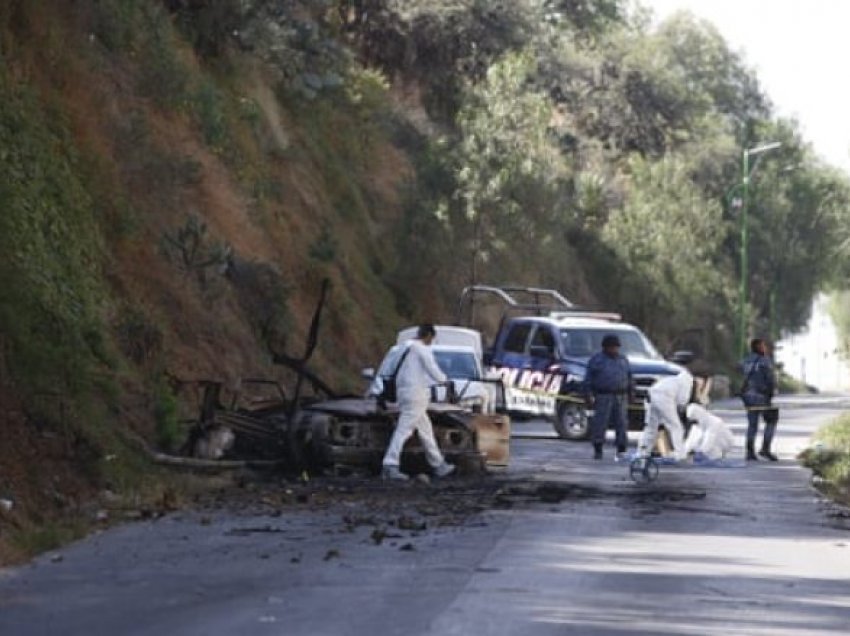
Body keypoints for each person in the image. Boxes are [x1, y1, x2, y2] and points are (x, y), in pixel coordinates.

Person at [381, 324, 456, 481]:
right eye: (432, 339)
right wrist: (445, 380)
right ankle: (390, 464)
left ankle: (438, 464)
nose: (432, 342)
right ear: (428, 335)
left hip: (403, 393)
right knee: (404, 430)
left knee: (425, 430)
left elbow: (389, 369)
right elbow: (433, 370)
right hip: (416, 395)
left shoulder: (404, 347)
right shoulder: (421, 349)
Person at [585, 334, 632, 460]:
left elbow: (629, 376)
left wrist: (631, 391)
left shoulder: (623, 360)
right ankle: (598, 448)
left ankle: (621, 449)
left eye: (616, 347)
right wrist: (588, 395)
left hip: (620, 396)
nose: (614, 350)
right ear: (605, 348)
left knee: (621, 423)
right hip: (603, 395)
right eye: (612, 347)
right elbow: (588, 379)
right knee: (600, 423)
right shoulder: (597, 360)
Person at [638, 368, 696, 462]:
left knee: (650, 427)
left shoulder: (672, 379)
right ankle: (680, 454)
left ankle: (643, 452)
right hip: (664, 399)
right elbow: (682, 401)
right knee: (676, 427)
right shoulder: (687, 382)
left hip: (651, 395)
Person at [739, 338, 778, 461]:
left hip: (748, 397)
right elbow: (770, 379)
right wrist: (771, 393)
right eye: (763, 346)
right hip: (762, 396)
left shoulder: (746, 361)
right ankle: (765, 449)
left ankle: (749, 452)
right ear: (759, 347)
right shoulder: (765, 361)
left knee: (752, 425)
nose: (765, 348)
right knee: (771, 421)